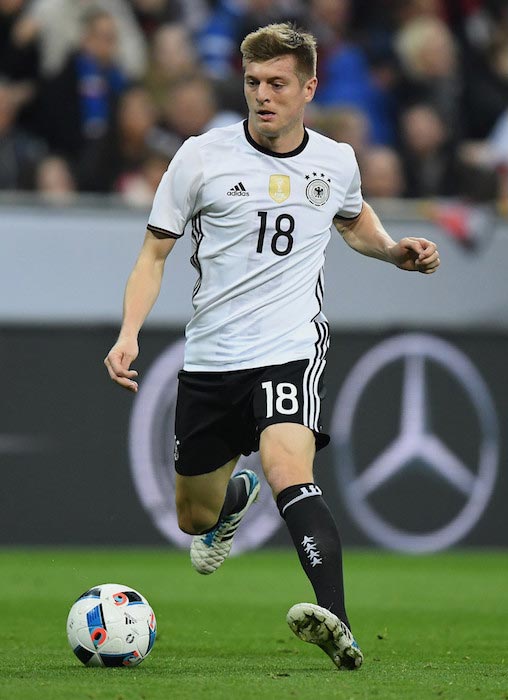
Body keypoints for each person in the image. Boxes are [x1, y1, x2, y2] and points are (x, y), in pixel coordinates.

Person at [104, 22, 440, 671]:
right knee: (192, 518)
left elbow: (353, 219)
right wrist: (128, 334)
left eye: (278, 83)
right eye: (253, 81)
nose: (263, 95)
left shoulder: (336, 161)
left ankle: (336, 622)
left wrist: (394, 249)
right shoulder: (201, 157)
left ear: (309, 86)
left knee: (291, 469)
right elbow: (153, 256)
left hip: (288, 347)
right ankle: (229, 504)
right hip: (210, 359)